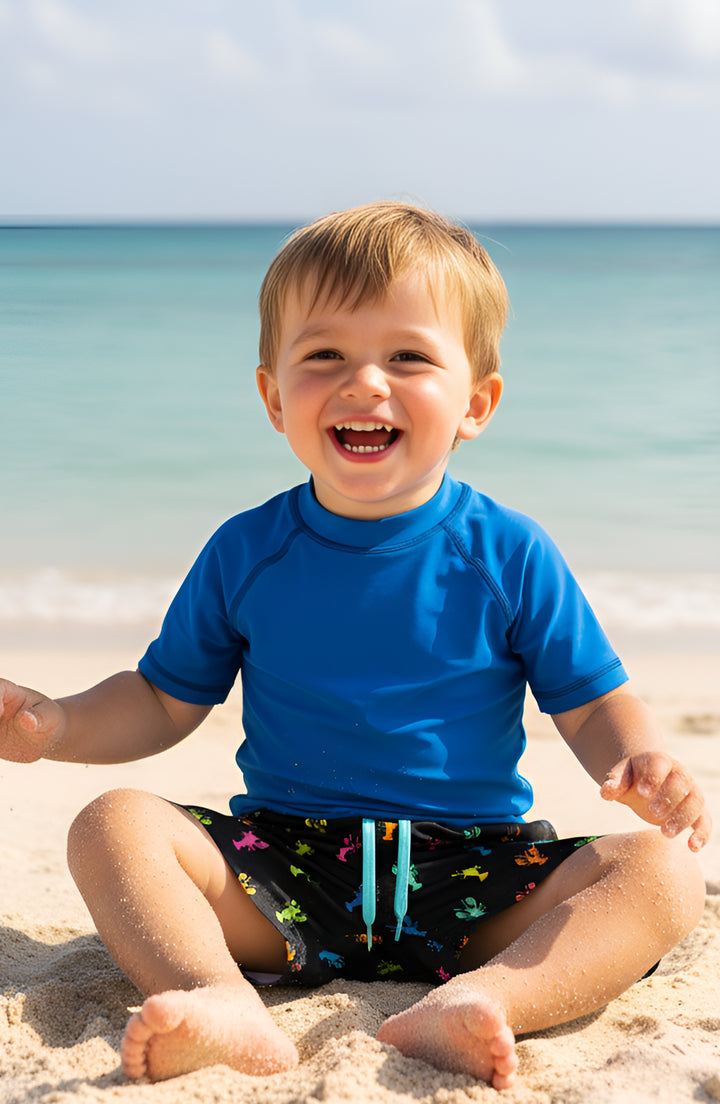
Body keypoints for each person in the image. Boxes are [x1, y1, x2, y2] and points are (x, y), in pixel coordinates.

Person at [0, 202, 710, 1092]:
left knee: (661, 875)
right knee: (113, 824)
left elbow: (591, 700)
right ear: (273, 398)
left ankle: (486, 999)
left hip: (474, 875)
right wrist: (55, 723)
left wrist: (639, 758)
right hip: (284, 872)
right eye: (325, 355)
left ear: (475, 404)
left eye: (408, 356)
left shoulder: (506, 553)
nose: (365, 382)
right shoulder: (247, 551)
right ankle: (218, 997)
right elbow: (159, 699)